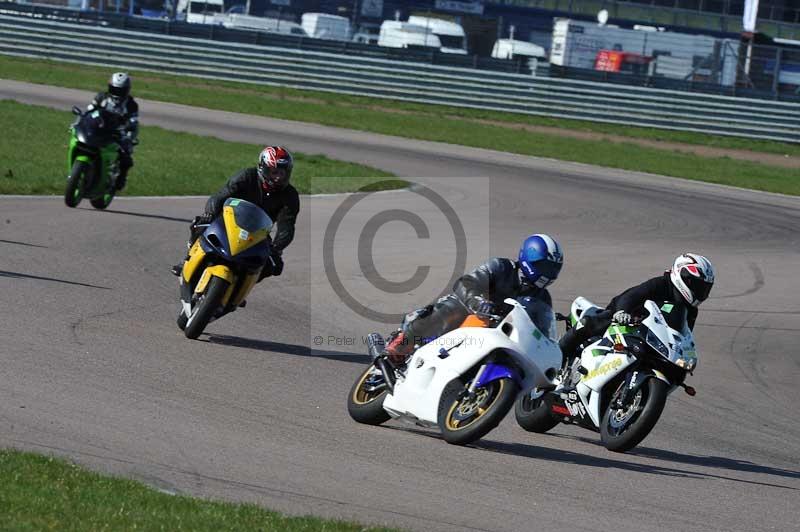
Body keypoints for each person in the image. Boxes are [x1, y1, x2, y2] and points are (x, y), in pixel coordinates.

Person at [382, 234, 565, 365]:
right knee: (449, 310)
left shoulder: (542, 298)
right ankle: (401, 344)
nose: (548, 273)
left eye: (553, 268)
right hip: (469, 312)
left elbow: (540, 332)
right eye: (544, 266)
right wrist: (478, 301)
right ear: (528, 259)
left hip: (498, 335)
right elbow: (467, 282)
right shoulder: (501, 267)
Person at [172, 146, 299, 281]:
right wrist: (210, 213)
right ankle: (187, 260)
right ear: (263, 168)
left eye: (282, 173)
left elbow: (287, 226)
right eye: (275, 172)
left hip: (259, 234)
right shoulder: (247, 176)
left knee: (272, 265)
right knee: (200, 225)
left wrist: (276, 248)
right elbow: (220, 196)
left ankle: (241, 287)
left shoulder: (290, 195)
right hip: (227, 221)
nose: (279, 177)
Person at [558, 253, 716, 362]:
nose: (700, 292)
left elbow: (683, 336)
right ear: (684, 277)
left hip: (648, 339)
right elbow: (631, 296)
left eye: (704, 288)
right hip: (620, 319)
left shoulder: (690, 311)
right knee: (588, 323)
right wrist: (622, 312)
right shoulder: (661, 284)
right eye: (697, 285)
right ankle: (557, 355)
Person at [86, 72, 139, 191]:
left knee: (126, 155)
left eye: (120, 91)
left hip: (118, 132)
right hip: (99, 127)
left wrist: (129, 130)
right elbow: (88, 111)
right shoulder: (101, 97)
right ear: (109, 87)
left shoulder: (131, 104)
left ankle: (122, 177)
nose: (117, 93)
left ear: (127, 90)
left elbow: (134, 121)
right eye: (114, 89)